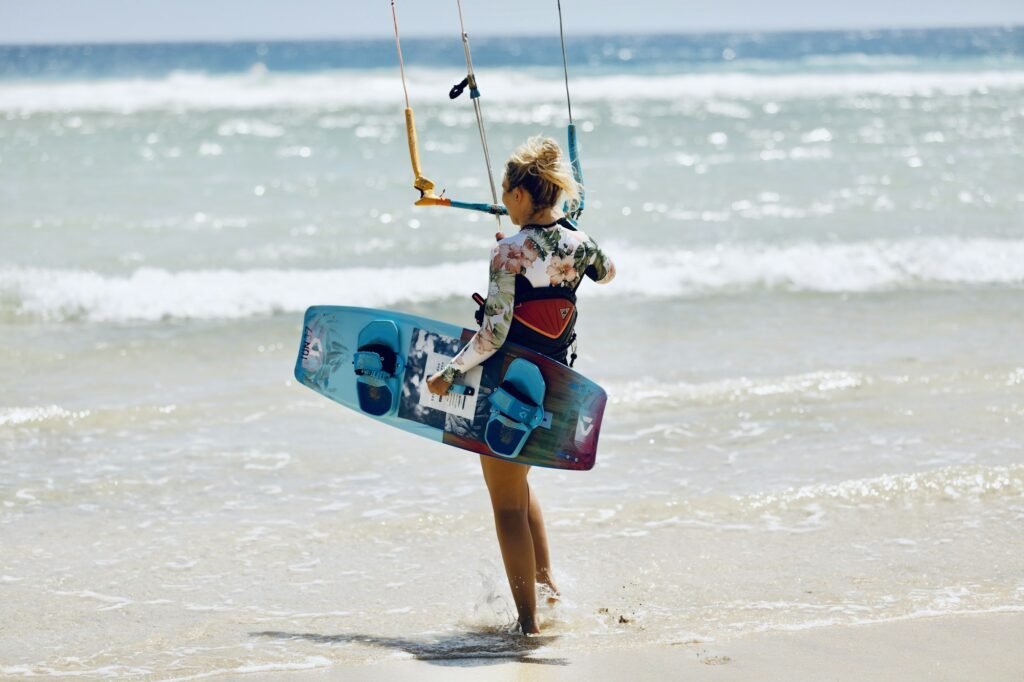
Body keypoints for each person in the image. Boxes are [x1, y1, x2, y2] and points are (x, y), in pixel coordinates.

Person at [426, 136, 615, 634]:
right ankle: (549, 593)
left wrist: (447, 374)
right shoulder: (582, 243)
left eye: (507, 190)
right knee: (521, 486)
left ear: (521, 196)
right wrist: (572, 230)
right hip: (554, 384)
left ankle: (528, 625)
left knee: (506, 503)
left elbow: (493, 334)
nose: (504, 198)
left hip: (508, 389)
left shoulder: (508, 253)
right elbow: (608, 273)